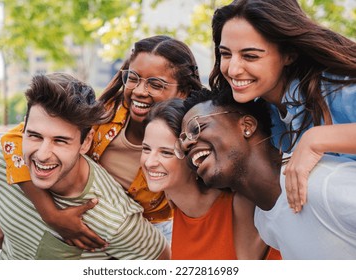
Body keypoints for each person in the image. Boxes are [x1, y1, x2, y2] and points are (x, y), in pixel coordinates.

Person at [0, 35, 203, 256]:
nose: (140, 90)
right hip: (63, 196)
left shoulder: (189, 143)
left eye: (156, 84)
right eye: (133, 78)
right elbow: (15, 140)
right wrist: (49, 216)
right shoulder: (104, 116)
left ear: (183, 92)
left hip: (133, 229)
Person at [0, 73, 170, 260]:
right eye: (35, 136)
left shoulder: (113, 220)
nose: (43, 155)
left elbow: (162, 263)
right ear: (23, 128)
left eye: (60, 141)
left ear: (86, 143)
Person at [209, 0, 356, 213]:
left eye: (250, 56)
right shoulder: (260, 115)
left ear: (289, 54)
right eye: (226, 54)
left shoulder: (338, 87)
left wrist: (316, 139)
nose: (233, 69)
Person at [176, 88, 356, 259]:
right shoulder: (263, 221)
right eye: (181, 142)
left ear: (247, 126)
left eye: (196, 128)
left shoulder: (322, 184)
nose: (186, 145)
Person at [141, 96, 281, 260]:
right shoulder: (176, 206)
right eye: (146, 149)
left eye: (166, 152)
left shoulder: (245, 204)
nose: (150, 162)